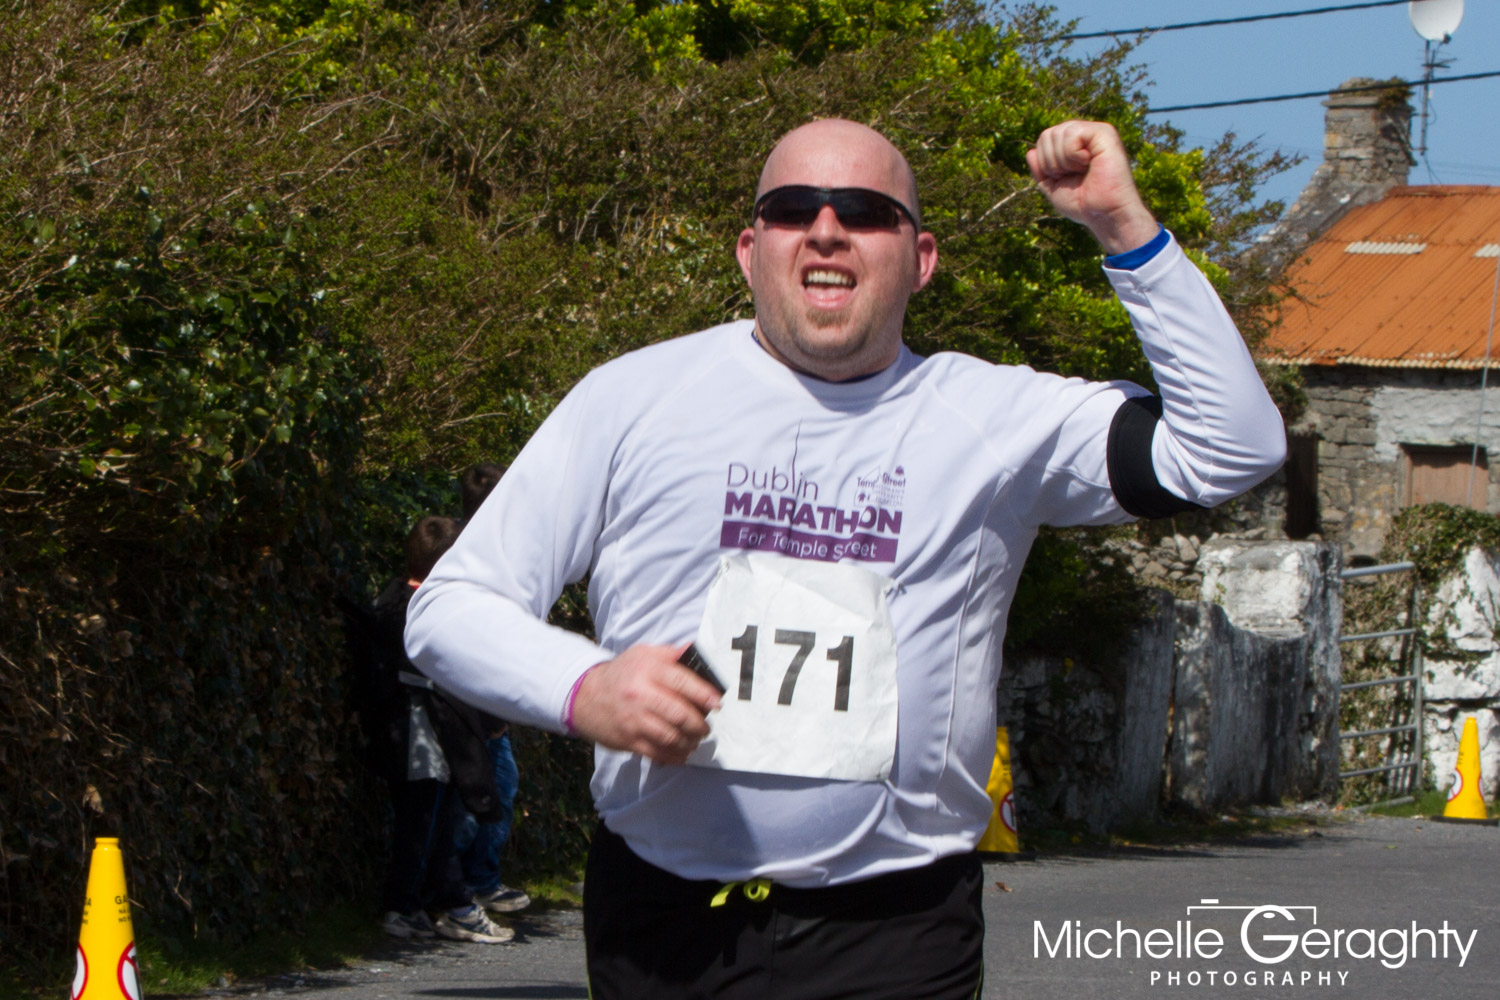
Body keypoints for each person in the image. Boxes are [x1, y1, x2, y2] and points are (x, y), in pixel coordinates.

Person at [405, 119, 1286, 997]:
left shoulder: (995, 417)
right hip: (663, 920)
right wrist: (584, 688)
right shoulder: (632, 398)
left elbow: (1230, 451)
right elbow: (449, 607)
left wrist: (1124, 227)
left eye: (865, 211)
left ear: (922, 257)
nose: (826, 230)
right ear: (752, 251)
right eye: (794, 210)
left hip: (897, 935)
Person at [342, 515, 516, 945]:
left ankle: (429, 903)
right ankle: (410, 906)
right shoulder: (426, 614)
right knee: (424, 824)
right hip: (423, 738)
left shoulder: (391, 599)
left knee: (428, 825)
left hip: (409, 735)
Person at [453, 463, 531, 916]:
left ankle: (479, 881)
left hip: (486, 706)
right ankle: (468, 885)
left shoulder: (482, 553)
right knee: (478, 801)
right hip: (471, 708)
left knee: (496, 790)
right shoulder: (474, 558)